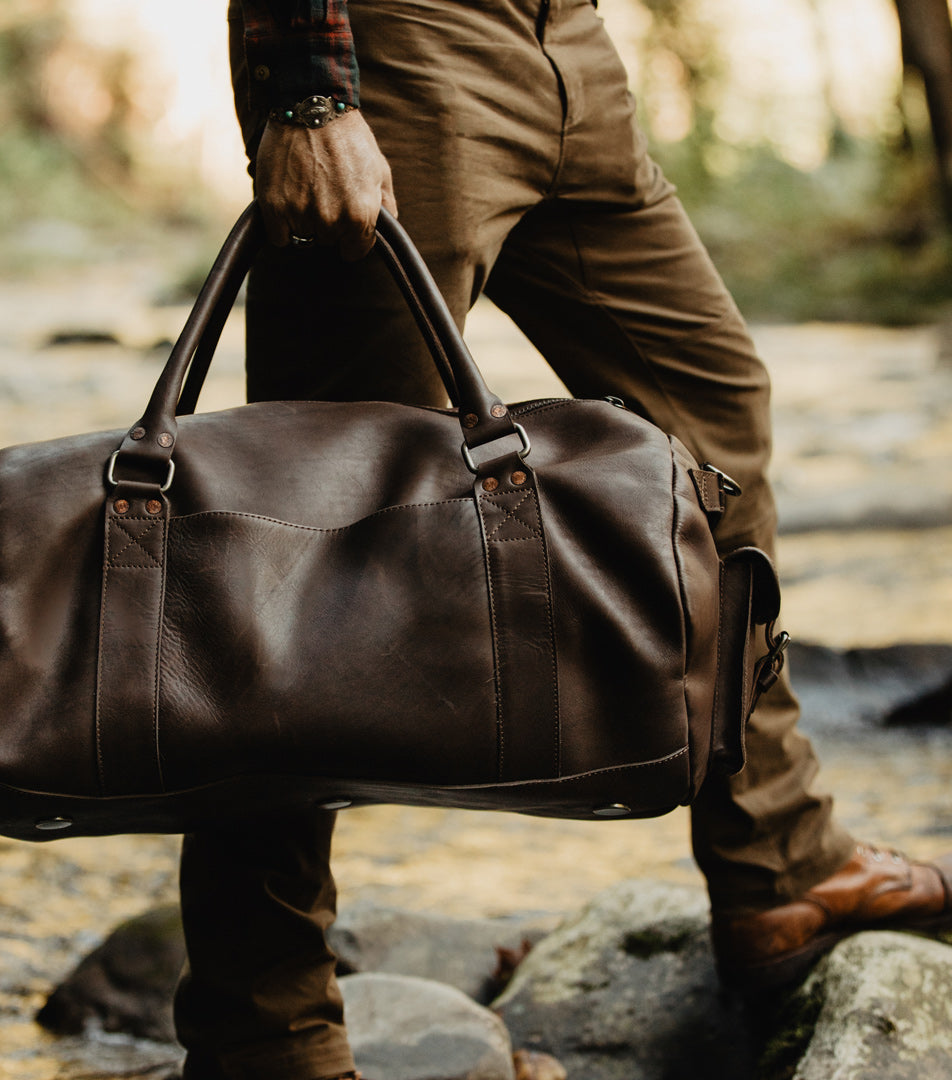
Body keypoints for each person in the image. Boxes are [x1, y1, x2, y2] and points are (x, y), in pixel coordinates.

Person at [172, 2, 952, 1077]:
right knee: (306, 542)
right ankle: (264, 1026)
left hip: (565, 43)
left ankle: (778, 859)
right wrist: (309, 87)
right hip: (402, 48)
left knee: (712, 414)